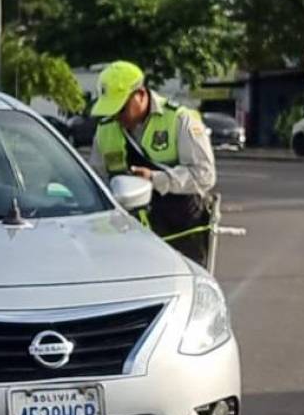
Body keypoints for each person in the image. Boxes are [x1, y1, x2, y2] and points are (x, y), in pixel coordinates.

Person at [89, 60, 216, 265]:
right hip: (129, 239)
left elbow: (205, 175)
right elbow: (96, 179)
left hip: (181, 233)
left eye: (121, 108)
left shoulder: (180, 120)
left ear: (140, 94)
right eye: (111, 110)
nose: (117, 116)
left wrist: (156, 179)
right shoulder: (105, 129)